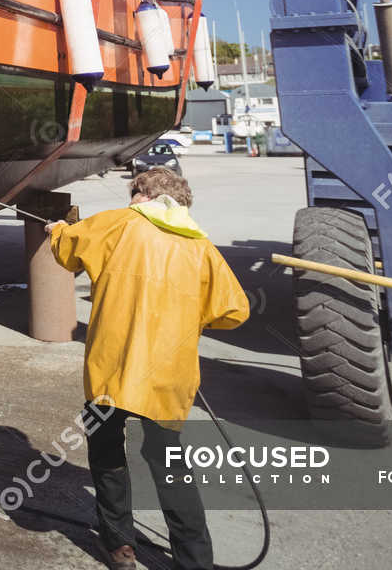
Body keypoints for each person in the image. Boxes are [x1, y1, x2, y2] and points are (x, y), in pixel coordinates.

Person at [44, 166, 249, 570]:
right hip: (167, 378)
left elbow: (68, 252)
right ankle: (196, 561)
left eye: (133, 193)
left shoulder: (120, 224)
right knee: (168, 462)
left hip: (112, 373)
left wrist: (57, 230)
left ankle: (121, 547)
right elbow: (234, 310)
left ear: (142, 194)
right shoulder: (200, 245)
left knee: (106, 452)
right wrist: (193, 314)